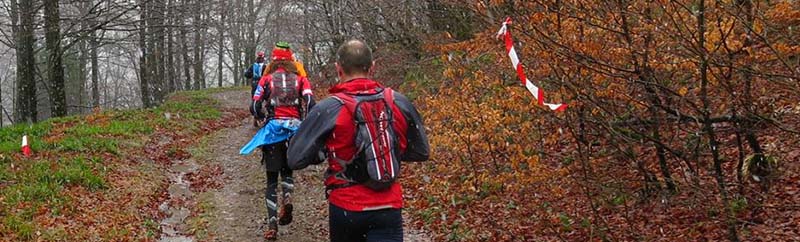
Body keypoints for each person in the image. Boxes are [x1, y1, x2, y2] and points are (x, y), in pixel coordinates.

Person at [287, 39, 429, 242]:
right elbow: (421, 152)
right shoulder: (398, 101)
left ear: (338, 69)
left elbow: (295, 159)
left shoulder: (329, 108)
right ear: (372, 67)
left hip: (347, 207)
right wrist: (385, 152)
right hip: (388, 207)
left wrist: (323, 153)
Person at [250, 44, 315, 240]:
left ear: (274, 59)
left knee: (271, 180)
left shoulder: (266, 78)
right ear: (290, 60)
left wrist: (262, 115)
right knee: (287, 171)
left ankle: (272, 225)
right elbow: (311, 102)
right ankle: (287, 196)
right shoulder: (301, 78)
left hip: (273, 131)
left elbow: (254, 105)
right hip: (294, 131)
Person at [244, 51, 267, 127]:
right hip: (262, 85)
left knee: (255, 101)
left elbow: (246, 75)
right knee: (264, 101)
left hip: (254, 85)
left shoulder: (253, 66)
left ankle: (256, 117)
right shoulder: (265, 66)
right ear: (263, 58)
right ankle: (263, 117)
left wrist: (252, 75)